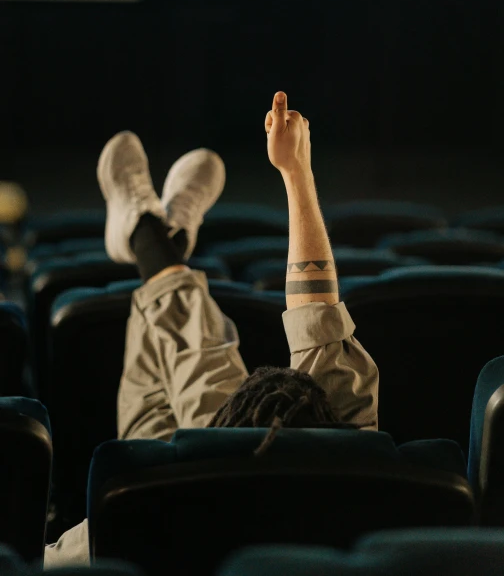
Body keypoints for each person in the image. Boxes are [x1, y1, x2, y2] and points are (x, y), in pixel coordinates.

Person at [44, 91, 378, 567]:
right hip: (183, 482)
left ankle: (150, 235)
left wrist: (296, 171)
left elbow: (37, 565)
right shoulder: (367, 475)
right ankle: (154, 237)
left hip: (177, 492)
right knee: (168, 359)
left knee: (200, 356)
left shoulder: (132, 515)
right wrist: (296, 174)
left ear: (218, 438)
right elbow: (318, 319)